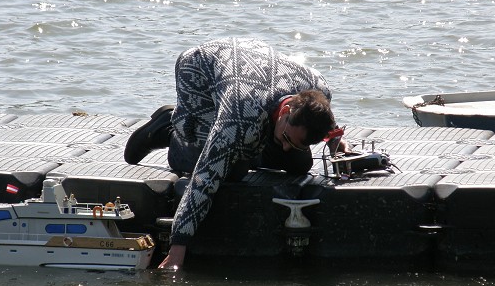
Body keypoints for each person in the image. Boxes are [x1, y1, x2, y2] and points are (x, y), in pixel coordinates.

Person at [124, 37, 347, 269]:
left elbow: (323, 123)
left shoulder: (319, 88)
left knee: (299, 164)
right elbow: (204, 178)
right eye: (289, 139)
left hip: (252, 64)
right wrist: (177, 248)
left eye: (296, 142)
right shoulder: (240, 114)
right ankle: (166, 129)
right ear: (287, 111)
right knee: (231, 168)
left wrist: (335, 141)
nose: (287, 146)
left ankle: (253, 143)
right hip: (199, 68)